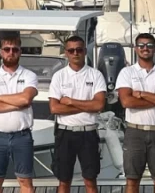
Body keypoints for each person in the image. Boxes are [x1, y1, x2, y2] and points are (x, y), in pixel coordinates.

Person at [116, 33, 155, 193]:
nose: (145, 48)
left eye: (149, 45)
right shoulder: (127, 72)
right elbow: (127, 102)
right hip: (134, 132)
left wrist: (142, 94)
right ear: (135, 49)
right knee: (132, 181)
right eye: (141, 45)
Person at [0, 33, 39, 193]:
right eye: (7, 49)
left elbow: (26, 99)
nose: (11, 52)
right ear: (1, 52)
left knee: (25, 181)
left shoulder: (29, 75)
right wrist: (17, 104)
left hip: (22, 136)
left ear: (20, 52)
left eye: (15, 49)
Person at [48, 35, 107, 193]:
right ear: (66, 52)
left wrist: (70, 101)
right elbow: (54, 108)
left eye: (79, 50)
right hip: (64, 133)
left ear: (85, 51)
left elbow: (99, 105)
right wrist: (87, 106)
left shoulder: (96, 75)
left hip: (88, 133)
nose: (75, 53)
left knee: (90, 180)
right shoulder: (59, 76)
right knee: (64, 181)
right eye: (71, 50)